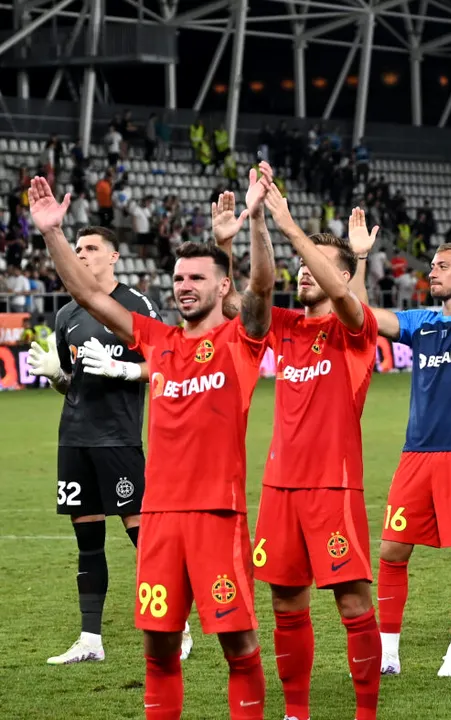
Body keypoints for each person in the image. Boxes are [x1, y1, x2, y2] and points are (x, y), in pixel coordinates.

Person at [29, 172, 277, 718]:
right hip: (160, 520)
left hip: (217, 515)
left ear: (221, 288)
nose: (183, 285)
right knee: (159, 652)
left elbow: (262, 290)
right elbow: (89, 293)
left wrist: (257, 219)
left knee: (238, 648)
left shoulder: (239, 345)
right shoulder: (158, 342)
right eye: (178, 278)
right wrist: (53, 233)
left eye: (196, 278)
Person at [240, 170, 382, 720]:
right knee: (284, 603)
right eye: (300, 263)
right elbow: (252, 293)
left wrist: (293, 227)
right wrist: (253, 223)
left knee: (351, 602)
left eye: (314, 263)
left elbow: (347, 296)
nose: (302, 270)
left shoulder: (354, 330)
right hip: (279, 488)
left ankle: (364, 712)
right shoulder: (288, 327)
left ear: (340, 274)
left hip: (332, 485)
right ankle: (295, 711)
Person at [357, 204, 451, 678]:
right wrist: (360, 259)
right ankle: (388, 650)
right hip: (416, 452)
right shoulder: (421, 321)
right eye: (434, 267)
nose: (432, 273)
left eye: (442, 267)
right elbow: (363, 316)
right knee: (392, 550)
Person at [25, 224, 184, 666]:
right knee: (88, 540)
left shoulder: (136, 306)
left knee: (143, 537)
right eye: (77, 249)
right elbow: (71, 384)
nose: (82, 254)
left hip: (118, 437)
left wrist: (123, 370)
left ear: (114, 257)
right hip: (74, 438)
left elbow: (166, 363)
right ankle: (90, 640)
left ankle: (177, 622)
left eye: (91, 248)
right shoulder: (66, 315)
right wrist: (58, 377)